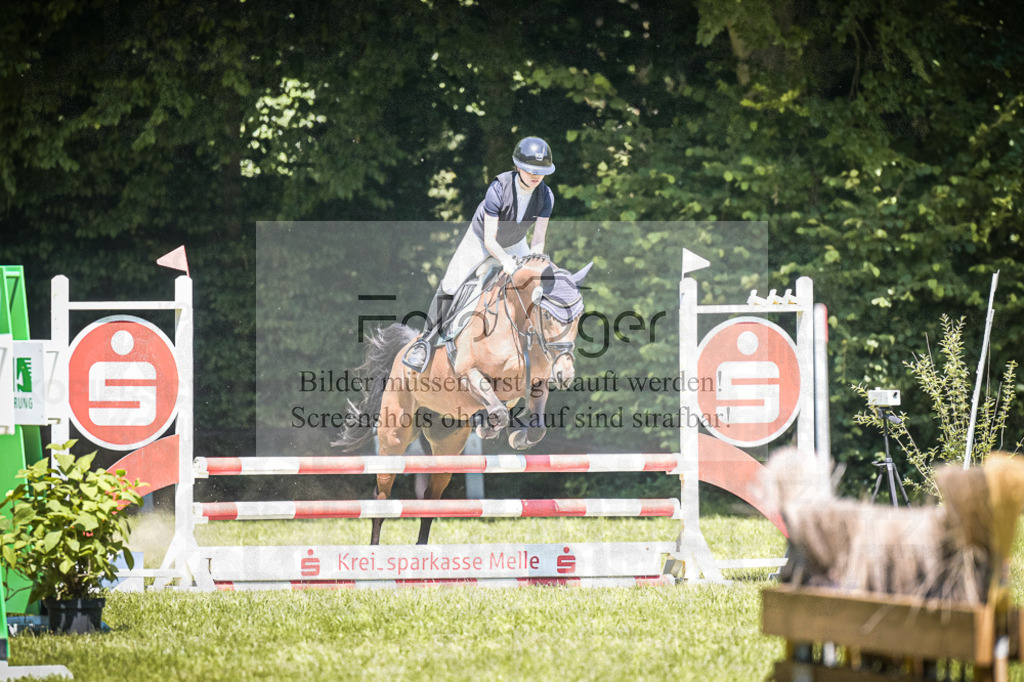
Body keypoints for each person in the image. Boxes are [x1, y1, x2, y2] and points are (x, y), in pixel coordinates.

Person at [402, 136, 556, 372]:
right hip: (481, 240)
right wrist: (504, 260)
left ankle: (541, 347)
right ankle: (425, 342)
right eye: (531, 170)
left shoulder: (546, 195)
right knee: (451, 283)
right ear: (518, 167)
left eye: (541, 172)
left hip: (516, 242)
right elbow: (489, 240)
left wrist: (535, 265)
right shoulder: (499, 188)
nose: (536, 176)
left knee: (536, 285)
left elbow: (538, 240)